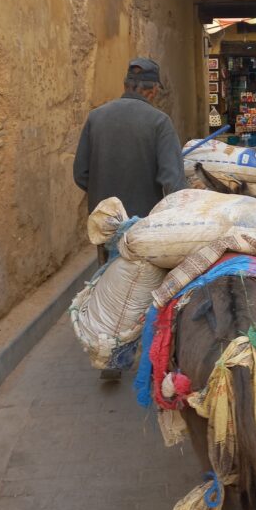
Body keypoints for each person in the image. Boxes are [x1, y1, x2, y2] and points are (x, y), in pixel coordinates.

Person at [73, 57, 187, 377]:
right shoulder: (159, 123)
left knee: (111, 289)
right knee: (149, 290)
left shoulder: (96, 118)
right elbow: (173, 183)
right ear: (152, 92)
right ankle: (154, 353)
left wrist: (103, 195)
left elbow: (80, 173)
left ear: (126, 86)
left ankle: (110, 356)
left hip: (107, 223)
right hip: (144, 226)